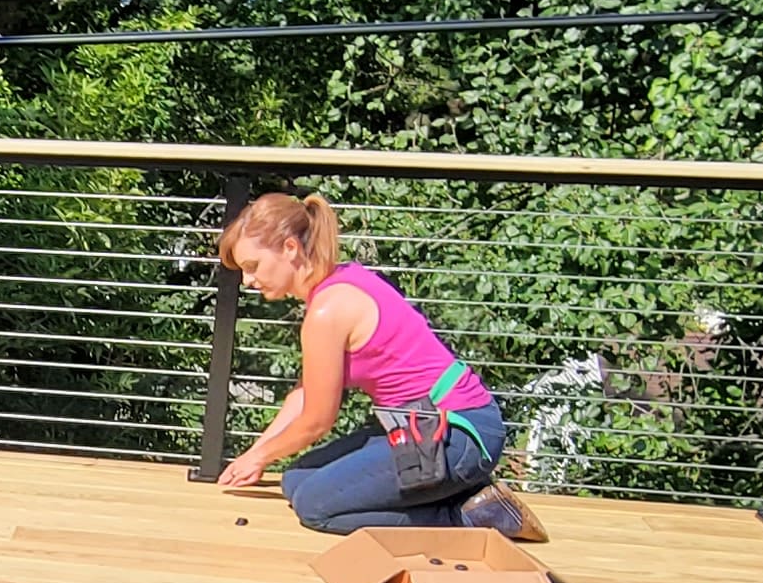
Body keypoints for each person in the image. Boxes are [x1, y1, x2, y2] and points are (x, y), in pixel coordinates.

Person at [208, 188, 537, 537]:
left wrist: (259, 458)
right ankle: (465, 490)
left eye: (252, 267)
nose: (247, 280)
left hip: (457, 431)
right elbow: (304, 394)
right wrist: (256, 452)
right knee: (297, 478)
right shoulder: (340, 280)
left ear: (290, 248)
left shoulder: (328, 310)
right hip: (424, 425)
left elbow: (317, 421)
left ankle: (468, 518)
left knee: (316, 507)